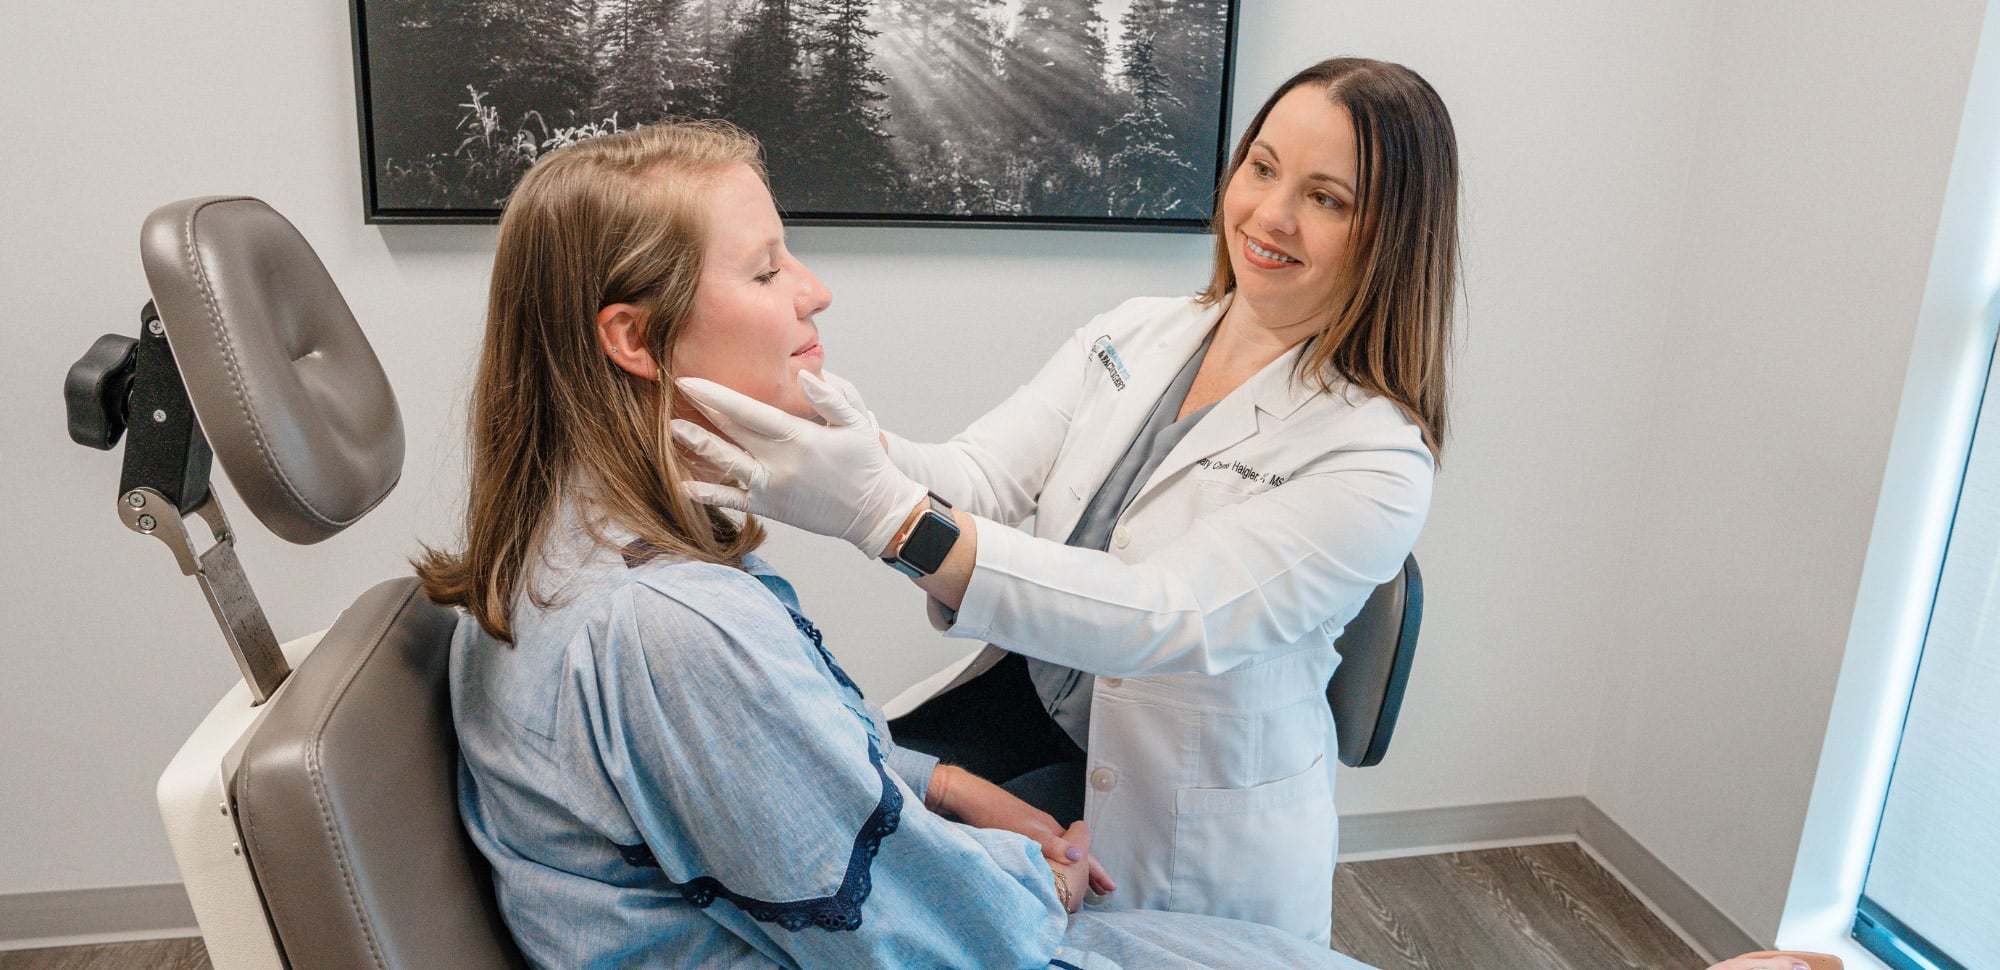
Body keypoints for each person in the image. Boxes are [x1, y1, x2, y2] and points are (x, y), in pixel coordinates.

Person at [415, 119, 1373, 969]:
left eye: (1324, 197)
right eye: (766, 269)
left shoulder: (556, 547)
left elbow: (1163, 617)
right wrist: (1043, 879)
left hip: (1198, 808)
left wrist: (944, 782)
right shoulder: (664, 626)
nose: (815, 292)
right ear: (633, 337)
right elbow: (951, 933)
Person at [673, 56, 1456, 944]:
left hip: (1180, 828)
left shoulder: (1377, 456)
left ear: (1395, 231)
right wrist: (861, 452)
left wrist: (887, 516)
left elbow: (1164, 616)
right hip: (1032, 717)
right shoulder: (1134, 333)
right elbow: (983, 480)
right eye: (1263, 167)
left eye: (1328, 198)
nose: (1270, 214)